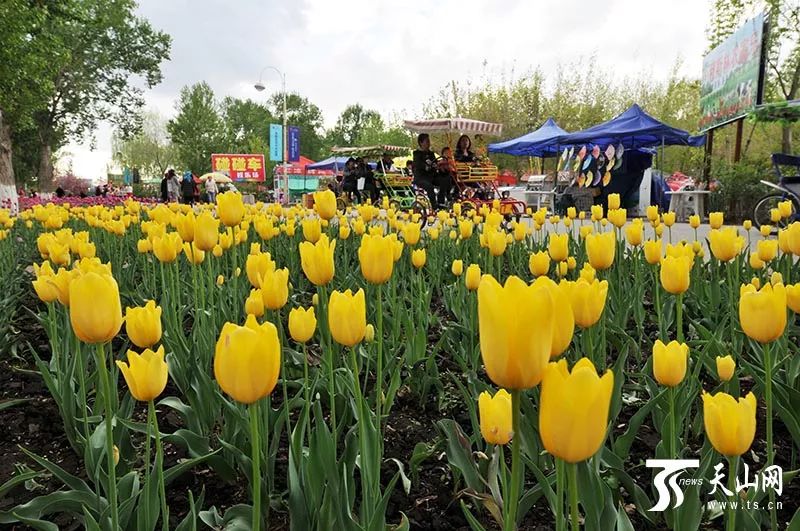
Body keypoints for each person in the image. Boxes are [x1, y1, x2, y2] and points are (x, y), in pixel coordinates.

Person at [413, 133, 443, 208]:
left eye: (429, 141)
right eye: (427, 141)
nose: (429, 143)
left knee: (444, 180)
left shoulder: (431, 153)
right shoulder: (416, 153)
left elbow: (435, 162)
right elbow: (417, 164)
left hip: (431, 177)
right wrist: (425, 167)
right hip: (421, 178)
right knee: (429, 187)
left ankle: (442, 201)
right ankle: (434, 205)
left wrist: (436, 166)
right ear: (421, 143)